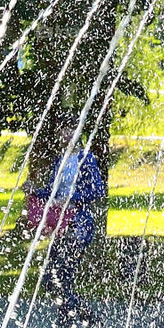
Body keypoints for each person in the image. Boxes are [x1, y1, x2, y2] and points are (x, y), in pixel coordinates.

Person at [27, 117, 106, 315]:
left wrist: (72, 197)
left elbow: (98, 189)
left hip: (79, 224)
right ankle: (83, 318)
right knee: (50, 279)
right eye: (63, 130)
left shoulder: (85, 159)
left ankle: (69, 325)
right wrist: (35, 191)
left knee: (63, 277)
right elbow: (53, 192)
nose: (67, 134)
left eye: (71, 129)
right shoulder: (59, 161)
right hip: (63, 225)